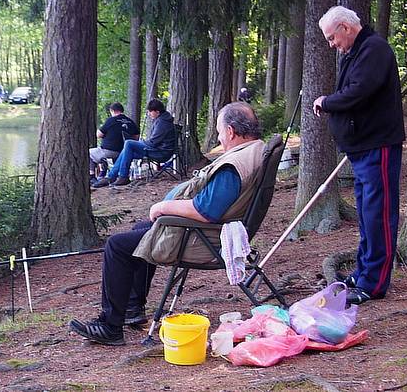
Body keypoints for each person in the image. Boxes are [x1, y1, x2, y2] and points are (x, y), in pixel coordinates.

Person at [70, 102, 266, 345]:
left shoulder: (233, 166)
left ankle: (110, 325)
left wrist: (162, 207)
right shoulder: (255, 150)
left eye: (218, 131)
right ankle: (132, 309)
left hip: (204, 238)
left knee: (117, 246)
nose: (218, 137)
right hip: (211, 231)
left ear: (231, 131)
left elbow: (205, 211)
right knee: (138, 230)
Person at [313, 5, 405, 306]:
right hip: (361, 147)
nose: (332, 45)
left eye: (331, 38)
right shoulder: (356, 51)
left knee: (379, 214)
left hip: (377, 144)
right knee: (366, 214)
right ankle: (364, 271)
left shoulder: (374, 49)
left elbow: (358, 91)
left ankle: (375, 284)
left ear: (346, 27)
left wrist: (327, 102)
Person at [93, 99, 176, 188]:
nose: (149, 114)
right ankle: (112, 177)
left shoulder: (162, 123)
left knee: (128, 143)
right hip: (158, 150)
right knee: (127, 151)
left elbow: (153, 143)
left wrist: (142, 142)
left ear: (157, 111)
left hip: (161, 152)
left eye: (150, 111)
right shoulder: (162, 120)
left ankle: (121, 176)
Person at [89, 102, 140, 183]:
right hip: (125, 152)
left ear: (112, 110)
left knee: (89, 153)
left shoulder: (111, 120)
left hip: (109, 150)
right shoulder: (130, 122)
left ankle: (91, 176)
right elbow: (136, 138)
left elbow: (99, 135)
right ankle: (115, 174)